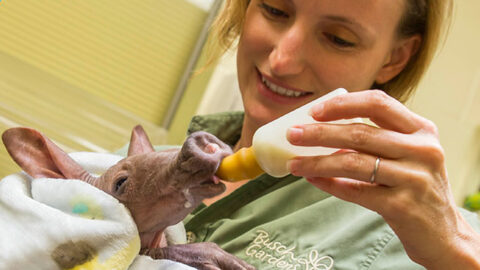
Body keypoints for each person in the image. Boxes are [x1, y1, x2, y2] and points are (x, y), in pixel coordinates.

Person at [179, 0, 480, 269]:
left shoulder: (426, 236)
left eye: (339, 39)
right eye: (275, 10)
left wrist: (455, 251)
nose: (282, 60)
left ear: (394, 59)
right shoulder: (142, 167)